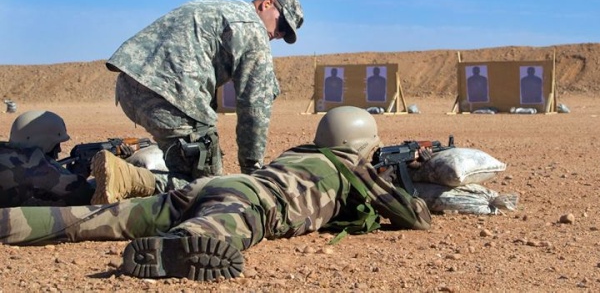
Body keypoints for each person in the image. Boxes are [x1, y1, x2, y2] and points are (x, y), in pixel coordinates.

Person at [0, 106, 432, 282]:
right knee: (221, 229)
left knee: (93, 219)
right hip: (250, 203)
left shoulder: (301, 153)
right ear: (362, 145)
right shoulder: (352, 168)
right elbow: (415, 217)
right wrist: (391, 175)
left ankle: (11, 223)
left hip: (213, 186)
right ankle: (179, 247)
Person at [104, 0, 304, 186]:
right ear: (266, 4)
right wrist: (252, 173)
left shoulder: (213, 4)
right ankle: (127, 181)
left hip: (128, 85)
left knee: (183, 164)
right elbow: (254, 107)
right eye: (282, 24)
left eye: (284, 34)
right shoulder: (254, 29)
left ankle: (90, 186)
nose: (278, 34)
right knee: (206, 188)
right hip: (172, 99)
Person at [0, 110, 196, 207]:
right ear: (43, 141)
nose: (59, 150)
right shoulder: (38, 168)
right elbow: (81, 194)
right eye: (56, 145)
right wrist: (81, 171)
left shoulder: (7, 152)